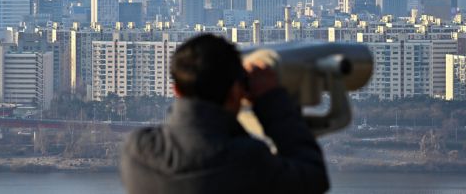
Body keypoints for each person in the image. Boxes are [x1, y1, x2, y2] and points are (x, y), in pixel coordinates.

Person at [121, 34, 329, 194]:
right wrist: (271, 99)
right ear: (235, 92)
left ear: (176, 90)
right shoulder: (246, 159)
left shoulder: (138, 152)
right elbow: (313, 176)